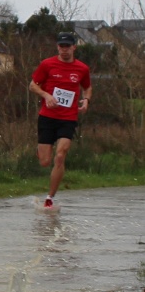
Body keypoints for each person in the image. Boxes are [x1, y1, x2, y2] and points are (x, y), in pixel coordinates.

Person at [29, 31, 92, 208]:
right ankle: (40, 151)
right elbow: (33, 85)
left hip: (68, 118)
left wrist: (86, 100)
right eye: (61, 46)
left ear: (74, 47)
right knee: (45, 162)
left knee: (60, 155)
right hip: (47, 117)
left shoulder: (82, 68)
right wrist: (46, 95)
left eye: (67, 46)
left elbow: (87, 87)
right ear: (57, 47)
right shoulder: (47, 64)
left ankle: (50, 198)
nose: (64, 50)